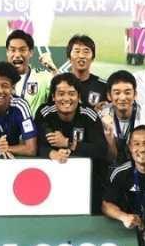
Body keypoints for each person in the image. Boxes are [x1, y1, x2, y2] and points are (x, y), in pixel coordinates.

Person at [35, 73, 108, 214]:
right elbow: (34, 145)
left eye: (72, 94)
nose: (66, 98)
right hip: (50, 179)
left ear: (79, 97)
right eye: (61, 94)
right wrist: (51, 153)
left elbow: (101, 149)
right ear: (53, 96)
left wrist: (69, 144)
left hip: (86, 181)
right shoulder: (45, 113)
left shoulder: (89, 114)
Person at [102, 125, 145, 246]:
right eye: (136, 144)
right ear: (129, 147)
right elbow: (106, 205)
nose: (142, 149)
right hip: (129, 238)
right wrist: (123, 217)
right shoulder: (120, 173)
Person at [0, 29, 54, 116]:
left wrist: (54, 70)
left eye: (22, 50)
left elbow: (61, 91)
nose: (17, 55)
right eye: (13, 50)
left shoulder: (42, 77)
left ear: (30, 52)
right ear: (7, 52)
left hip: (30, 124)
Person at [104, 70, 144, 167]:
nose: (122, 98)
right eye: (117, 93)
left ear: (135, 95)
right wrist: (110, 139)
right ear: (109, 96)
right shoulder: (101, 117)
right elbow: (109, 158)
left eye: (127, 92)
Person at [66, 34, 107, 109]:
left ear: (93, 58)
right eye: (77, 51)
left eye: (86, 52)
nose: (81, 56)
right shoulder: (60, 85)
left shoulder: (104, 86)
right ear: (69, 57)